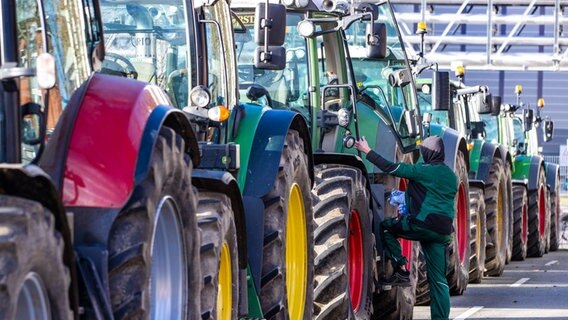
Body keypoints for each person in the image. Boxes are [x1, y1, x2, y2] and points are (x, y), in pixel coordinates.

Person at [354, 135, 457, 320]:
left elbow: (391, 168)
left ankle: (401, 269)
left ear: (426, 153)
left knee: (386, 227)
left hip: (422, 225)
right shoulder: (451, 176)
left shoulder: (423, 171)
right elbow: (431, 196)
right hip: (442, 232)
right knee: (439, 281)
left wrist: (367, 151)